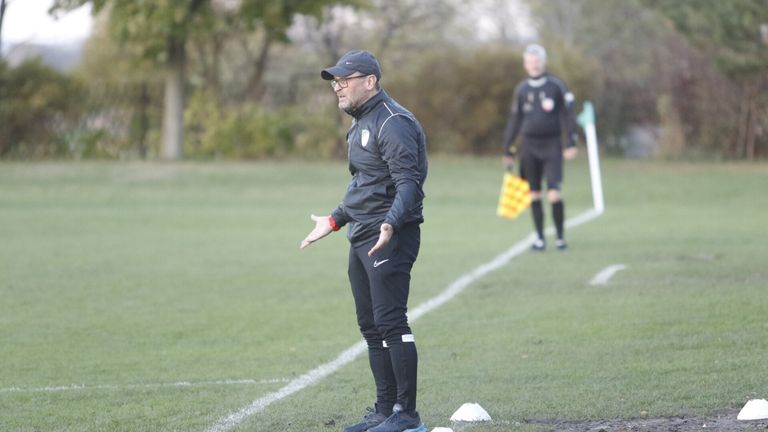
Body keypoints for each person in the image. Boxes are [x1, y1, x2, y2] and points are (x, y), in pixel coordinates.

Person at [300, 50, 428, 432]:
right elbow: (364, 185)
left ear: (370, 81)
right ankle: (385, 410)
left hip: (391, 234)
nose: (337, 86)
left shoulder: (394, 122)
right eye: (335, 81)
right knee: (370, 326)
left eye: (345, 79)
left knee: (391, 322)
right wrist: (335, 220)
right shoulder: (358, 125)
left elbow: (408, 183)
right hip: (361, 234)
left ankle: (407, 415)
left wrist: (390, 223)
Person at [502, 43, 579, 251]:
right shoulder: (522, 89)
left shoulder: (556, 86)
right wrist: (507, 149)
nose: (534, 65)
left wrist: (570, 142)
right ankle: (539, 238)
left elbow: (567, 115)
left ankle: (561, 238)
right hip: (528, 147)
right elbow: (515, 120)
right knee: (534, 194)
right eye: (530, 61)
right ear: (525, 64)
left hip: (552, 145)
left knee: (554, 193)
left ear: (543, 62)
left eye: (537, 61)